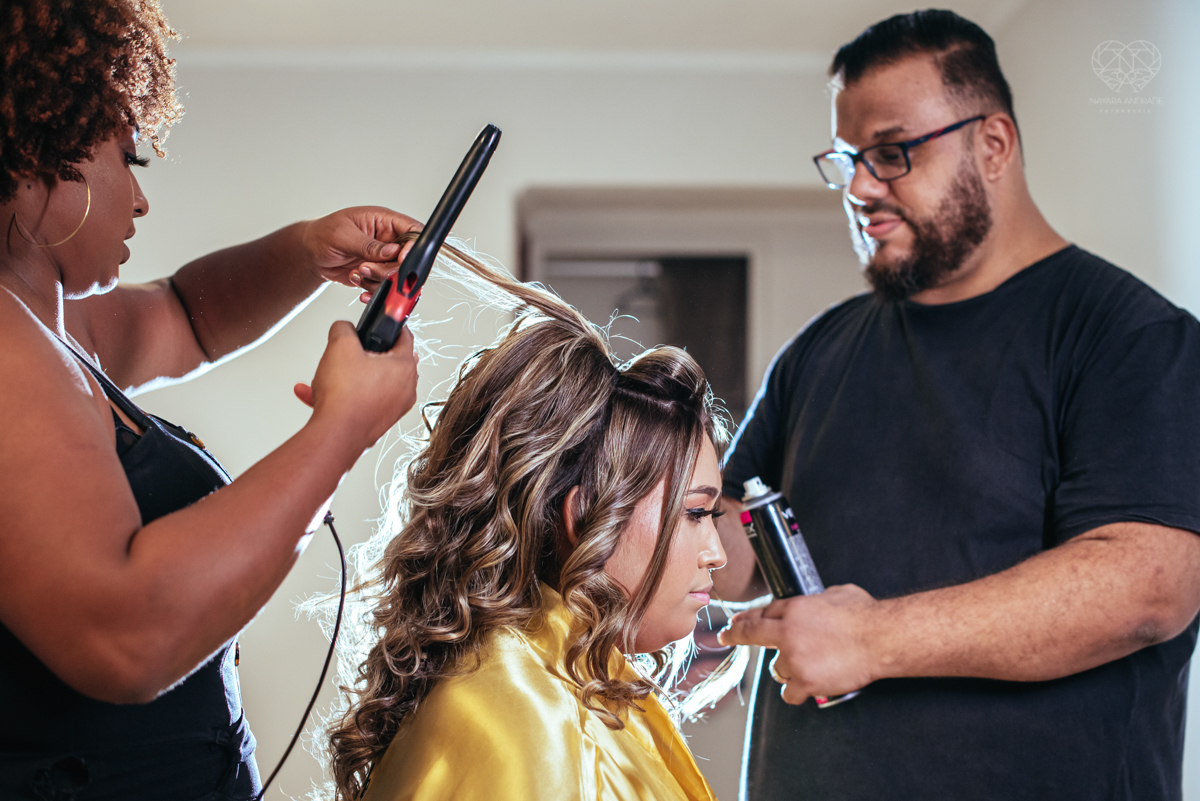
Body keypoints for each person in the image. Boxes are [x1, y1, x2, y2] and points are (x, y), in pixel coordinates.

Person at [715, 9, 1200, 801]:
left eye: (892, 153)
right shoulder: (820, 350)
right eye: (848, 161)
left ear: (994, 143)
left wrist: (870, 638)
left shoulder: (1130, 337)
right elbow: (732, 549)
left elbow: (1150, 585)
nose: (862, 188)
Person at [0, 2, 421, 798]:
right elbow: (128, 635)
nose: (140, 197)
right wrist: (339, 432)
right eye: (130, 158)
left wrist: (308, 250)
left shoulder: (48, 323)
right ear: (40, 145)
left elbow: (187, 314)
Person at [320, 244, 726, 801]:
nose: (717, 553)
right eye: (698, 513)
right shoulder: (534, 730)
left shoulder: (542, 689)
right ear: (583, 515)